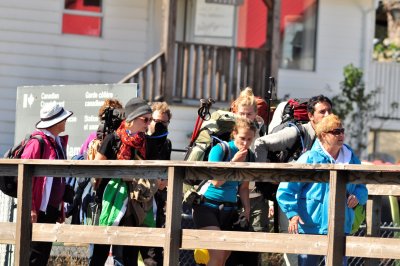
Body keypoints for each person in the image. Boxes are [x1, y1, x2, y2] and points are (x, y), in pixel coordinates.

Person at [276, 114, 368, 266]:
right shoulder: (309, 158)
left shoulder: (352, 158)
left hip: (341, 225)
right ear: (323, 135)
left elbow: (363, 187)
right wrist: (292, 214)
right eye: (336, 132)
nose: (341, 135)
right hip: (310, 226)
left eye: (342, 130)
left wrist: (357, 196)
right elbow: (285, 190)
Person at [254, 94, 332, 266]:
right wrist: (265, 177)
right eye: (322, 112)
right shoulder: (297, 132)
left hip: (310, 204)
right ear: (311, 116)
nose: (327, 115)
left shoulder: (329, 138)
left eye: (329, 111)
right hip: (289, 197)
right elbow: (260, 143)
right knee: (294, 246)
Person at [89, 97, 158, 266]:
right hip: (111, 199)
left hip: (135, 201)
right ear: (133, 117)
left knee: (130, 253)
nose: (148, 124)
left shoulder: (146, 142)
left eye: (150, 120)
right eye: (145, 119)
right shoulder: (113, 139)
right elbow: (96, 168)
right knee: (101, 250)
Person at [192, 117, 255, 266]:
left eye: (249, 139)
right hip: (207, 206)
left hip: (230, 210)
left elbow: (244, 187)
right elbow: (216, 181)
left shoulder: (250, 155)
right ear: (234, 134)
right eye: (242, 138)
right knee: (218, 254)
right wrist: (233, 162)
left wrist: (247, 209)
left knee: (223, 257)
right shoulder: (220, 149)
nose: (245, 143)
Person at [21, 103, 73, 266]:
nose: (66, 122)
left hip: (50, 209)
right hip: (38, 210)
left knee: (43, 255)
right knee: (33, 255)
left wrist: (60, 208)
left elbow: (58, 179)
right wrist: (29, 207)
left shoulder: (57, 142)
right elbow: (24, 176)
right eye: (64, 119)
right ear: (56, 122)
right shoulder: (37, 142)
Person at [227, 87, 266, 266]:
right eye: (241, 113)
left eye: (249, 114)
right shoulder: (229, 132)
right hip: (232, 194)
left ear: (256, 115)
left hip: (256, 193)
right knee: (231, 246)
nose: (244, 118)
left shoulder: (262, 133)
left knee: (255, 243)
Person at [143, 101, 173, 265]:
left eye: (164, 122)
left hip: (158, 198)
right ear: (148, 121)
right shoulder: (141, 140)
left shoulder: (167, 142)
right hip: (140, 199)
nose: (160, 126)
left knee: (155, 254)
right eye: (157, 121)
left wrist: (166, 181)